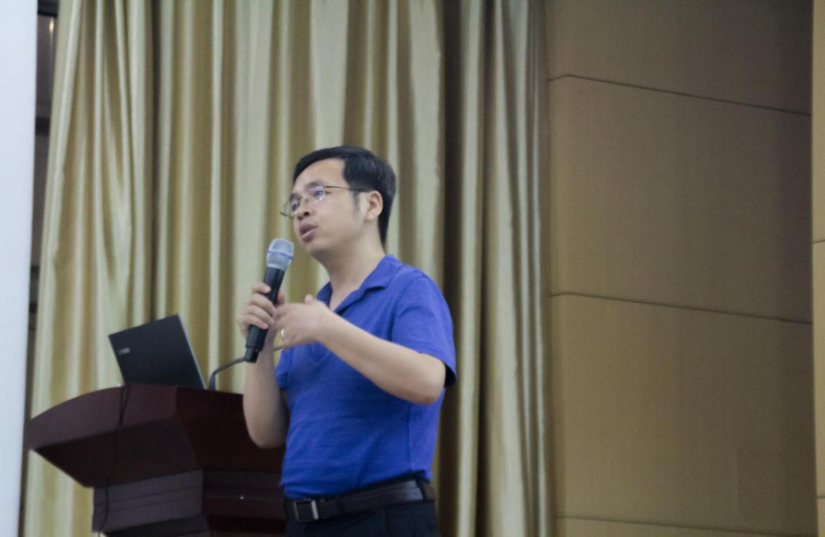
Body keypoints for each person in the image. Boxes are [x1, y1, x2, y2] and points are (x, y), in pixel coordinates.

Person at [237, 146, 457, 536]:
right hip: (303, 522)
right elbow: (266, 433)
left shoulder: (408, 288)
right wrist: (262, 347)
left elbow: (427, 382)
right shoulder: (313, 314)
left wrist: (329, 329)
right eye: (295, 203)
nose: (301, 211)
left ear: (371, 205)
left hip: (383, 517)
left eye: (318, 193)